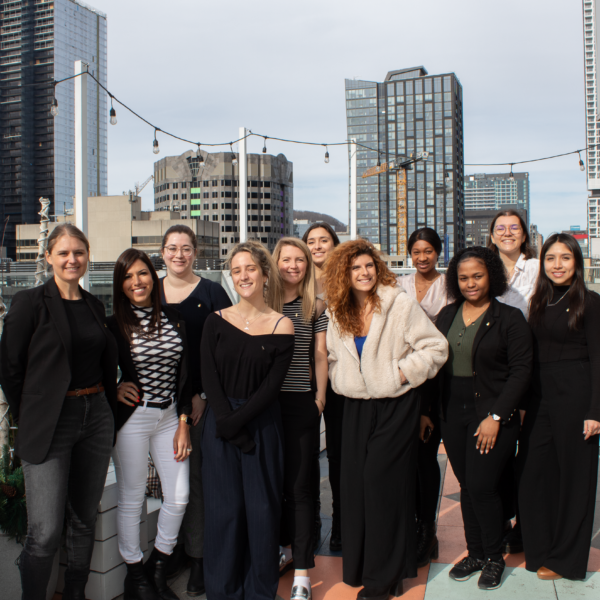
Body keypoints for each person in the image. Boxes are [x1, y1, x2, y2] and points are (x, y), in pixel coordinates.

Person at [324, 239, 448, 600]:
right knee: (356, 488)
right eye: (354, 268)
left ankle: (383, 579)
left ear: (377, 269)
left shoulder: (399, 303)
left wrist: (401, 374)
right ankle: (366, 566)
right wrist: (340, 379)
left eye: (368, 266)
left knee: (383, 487)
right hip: (356, 407)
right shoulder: (337, 309)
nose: (363, 273)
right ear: (342, 274)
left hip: (395, 405)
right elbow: (332, 356)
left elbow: (436, 347)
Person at [0, 224, 118, 600]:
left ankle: (75, 593)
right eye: (64, 252)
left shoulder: (95, 305)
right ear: (48, 256)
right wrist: (29, 415)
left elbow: (104, 361)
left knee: (84, 519)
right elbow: (9, 368)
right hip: (50, 421)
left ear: (87, 256)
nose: (72, 259)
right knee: (46, 530)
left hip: (95, 414)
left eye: (79, 252)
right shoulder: (29, 302)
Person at [432, 246, 532, 591]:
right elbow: (433, 366)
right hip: (451, 412)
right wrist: (427, 414)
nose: (470, 283)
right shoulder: (446, 315)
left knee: (482, 486)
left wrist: (496, 416)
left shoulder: (510, 318)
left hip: (490, 414)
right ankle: (474, 553)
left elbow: (521, 373)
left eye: (477, 275)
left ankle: (493, 557)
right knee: (467, 487)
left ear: (491, 275)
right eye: (463, 277)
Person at [200, 241, 294, 600]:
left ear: (265, 274)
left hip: (261, 427)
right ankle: (223, 593)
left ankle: (259, 593)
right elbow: (209, 377)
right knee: (224, 515)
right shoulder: (216, 321)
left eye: (250, 269)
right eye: (236, 270)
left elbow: (271, 390)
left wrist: (235, 425)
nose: (243, 276)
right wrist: (226, 423)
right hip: (221, 426)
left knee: (261, 513)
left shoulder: (282, 325)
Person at [107, 249, 192, 600]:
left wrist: (184, 420)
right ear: (120, 285)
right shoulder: (112, 324)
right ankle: (134, 575)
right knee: (131, 496)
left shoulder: (174, 318)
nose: (136, 282)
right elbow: (90, 364)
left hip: (170, 416)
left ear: (152, 277)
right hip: (134, 418)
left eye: (142, 273)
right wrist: (114, 387)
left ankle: (158, 564)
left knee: (179, 495)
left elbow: (187, 375)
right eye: (128, 277)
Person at [518, 233, 600, 581]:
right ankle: (540, 548)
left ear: (576, 262)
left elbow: (599, 357)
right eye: (551, 258)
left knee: (575, 481)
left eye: (565, 258)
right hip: (540, 398)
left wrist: (595, 411)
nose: (557, 265)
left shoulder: (591, 301)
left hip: (577, 396)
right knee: (533, 475)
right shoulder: (538, 300)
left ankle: (567, 559)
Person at [159, 225, 232, 596]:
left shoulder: (212, 292)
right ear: (162, 252)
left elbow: (226, 347)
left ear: (195, 252)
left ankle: (200, 557)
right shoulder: (149, 291)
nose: (179, 255)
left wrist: (202, 394)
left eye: (186, 248)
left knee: (198, 480)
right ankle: (172, 550)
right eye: (172, 248)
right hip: (157, 403)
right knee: (172, 483)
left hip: (200, 404)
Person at [272, 238, 328, 600]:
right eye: (286, 259)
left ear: (308, 265)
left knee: (299, 489)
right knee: (270, 483)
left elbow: (320, 354)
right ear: (275, 263)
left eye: (300, 260)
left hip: (300, 403)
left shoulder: (315, 306)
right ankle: (278, 549)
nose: (293, 266)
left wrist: (320, 398)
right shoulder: (262, 303)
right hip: (265, 405)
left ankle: (303, 571)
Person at [487, 209, 540, 553]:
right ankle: (504, 517)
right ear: (491, 235)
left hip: (530, 363)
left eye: (514, 228)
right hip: (493, 366)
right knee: (499, 451)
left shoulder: (537, 269)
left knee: (528, 450)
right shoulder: (485, 268)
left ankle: (525, 522)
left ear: (524, 235)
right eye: (500, 228)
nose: (507, 233)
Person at [399, 227, 449, 569]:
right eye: (416, 251)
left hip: (439, 377)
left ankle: (427, 528)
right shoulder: (399, 284)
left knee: (426, 458)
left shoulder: (449, 285)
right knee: (408, 460)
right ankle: (413, 525)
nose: (422, 257)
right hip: (405, 376)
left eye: (428, 251)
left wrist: (428, 406)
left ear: (438, 253)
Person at [303, 222, 344, 551]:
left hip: (341, 373)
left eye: (324, 240)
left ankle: (342, 519)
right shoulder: (296, 277)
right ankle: (312, 518)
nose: (317, 246)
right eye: (311, 241)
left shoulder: (345, 276)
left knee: (341, 452)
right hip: (304, 374)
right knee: (305, 454)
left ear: (334, 244)